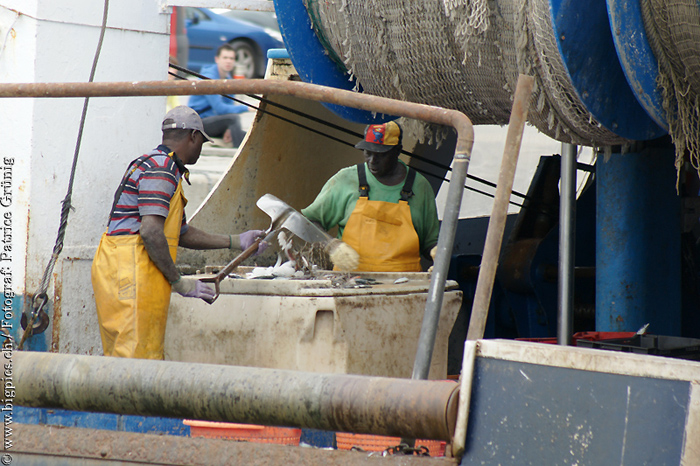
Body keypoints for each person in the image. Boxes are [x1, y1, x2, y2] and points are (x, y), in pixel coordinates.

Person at [91, 106, 266, 360]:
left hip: (122, 270)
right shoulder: (162, 168)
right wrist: (179, 282)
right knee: (135, 366)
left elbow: (180, 233)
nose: (201, 149)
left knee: (124, 363)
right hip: (131, 273)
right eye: (201, 142)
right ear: (193, 136)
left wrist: (236, 241)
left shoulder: (157, 164)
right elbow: (151, 233)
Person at [302, 121, 439, 272]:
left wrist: (437, 253)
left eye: (381, 154)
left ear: (398, 150)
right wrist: (330, 245)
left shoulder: (420, 186)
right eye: (368, 152)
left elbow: (430, 242)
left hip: (405, 286)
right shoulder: (346, 179)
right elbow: (308, 222)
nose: (372, 161)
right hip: (350, 284)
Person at [188, 44, 249, 147]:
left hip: (213, 120)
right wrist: (247, 108)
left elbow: (229, 107)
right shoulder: (208, 78)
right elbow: (220, 108)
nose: (228, 61)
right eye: (225, 58)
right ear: (217, 59)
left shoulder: (228, 80)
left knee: (246, 136)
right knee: (233, 119)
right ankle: (236, 155)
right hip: (196, 124)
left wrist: (229, 128)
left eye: (231, 58)